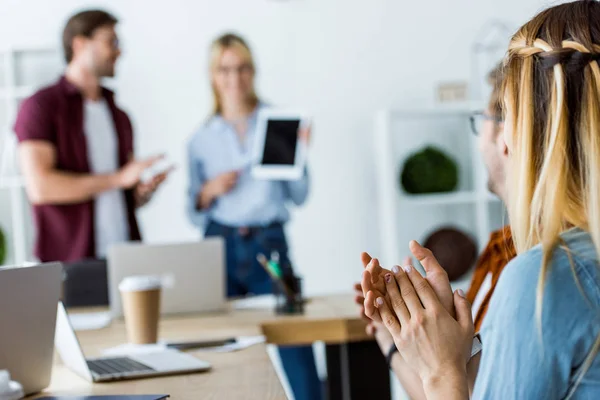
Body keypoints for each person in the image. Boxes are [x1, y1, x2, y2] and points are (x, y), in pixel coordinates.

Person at [364, 1, 600, 398]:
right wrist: (457, 349)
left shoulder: (547, 280)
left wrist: (440, 370)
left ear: (531, 135)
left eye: (506, 116)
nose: (499, 140)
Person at [353, 64, 516, 399]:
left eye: (481, 121)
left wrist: (441, 364)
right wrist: (397, 338)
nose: (480, 139)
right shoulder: (497, 251)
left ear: (504, 135)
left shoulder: (523, 270)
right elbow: (460, 389)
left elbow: (452, 383)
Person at [186, 33, 320, 400]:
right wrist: (208, 191)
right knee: (218, 345)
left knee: (294, 338)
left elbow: (299, 197)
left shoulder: (278, 124)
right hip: (220, 244)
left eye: (243, 68)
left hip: (270, 243)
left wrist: (300, 155)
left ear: (253, 72)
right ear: (213, 75)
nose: (235, 77)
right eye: (225, 69)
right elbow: (192, 212)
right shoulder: (200, 139)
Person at [14, 9, 168, 263]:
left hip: (125, 255)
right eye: (111, 42)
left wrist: (139, 191)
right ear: (80, 44)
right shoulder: (41, 106)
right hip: (71, 261)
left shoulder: (119, 115)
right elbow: (40, 187)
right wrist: (118, 179)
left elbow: (123, 192)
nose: (119, 51)